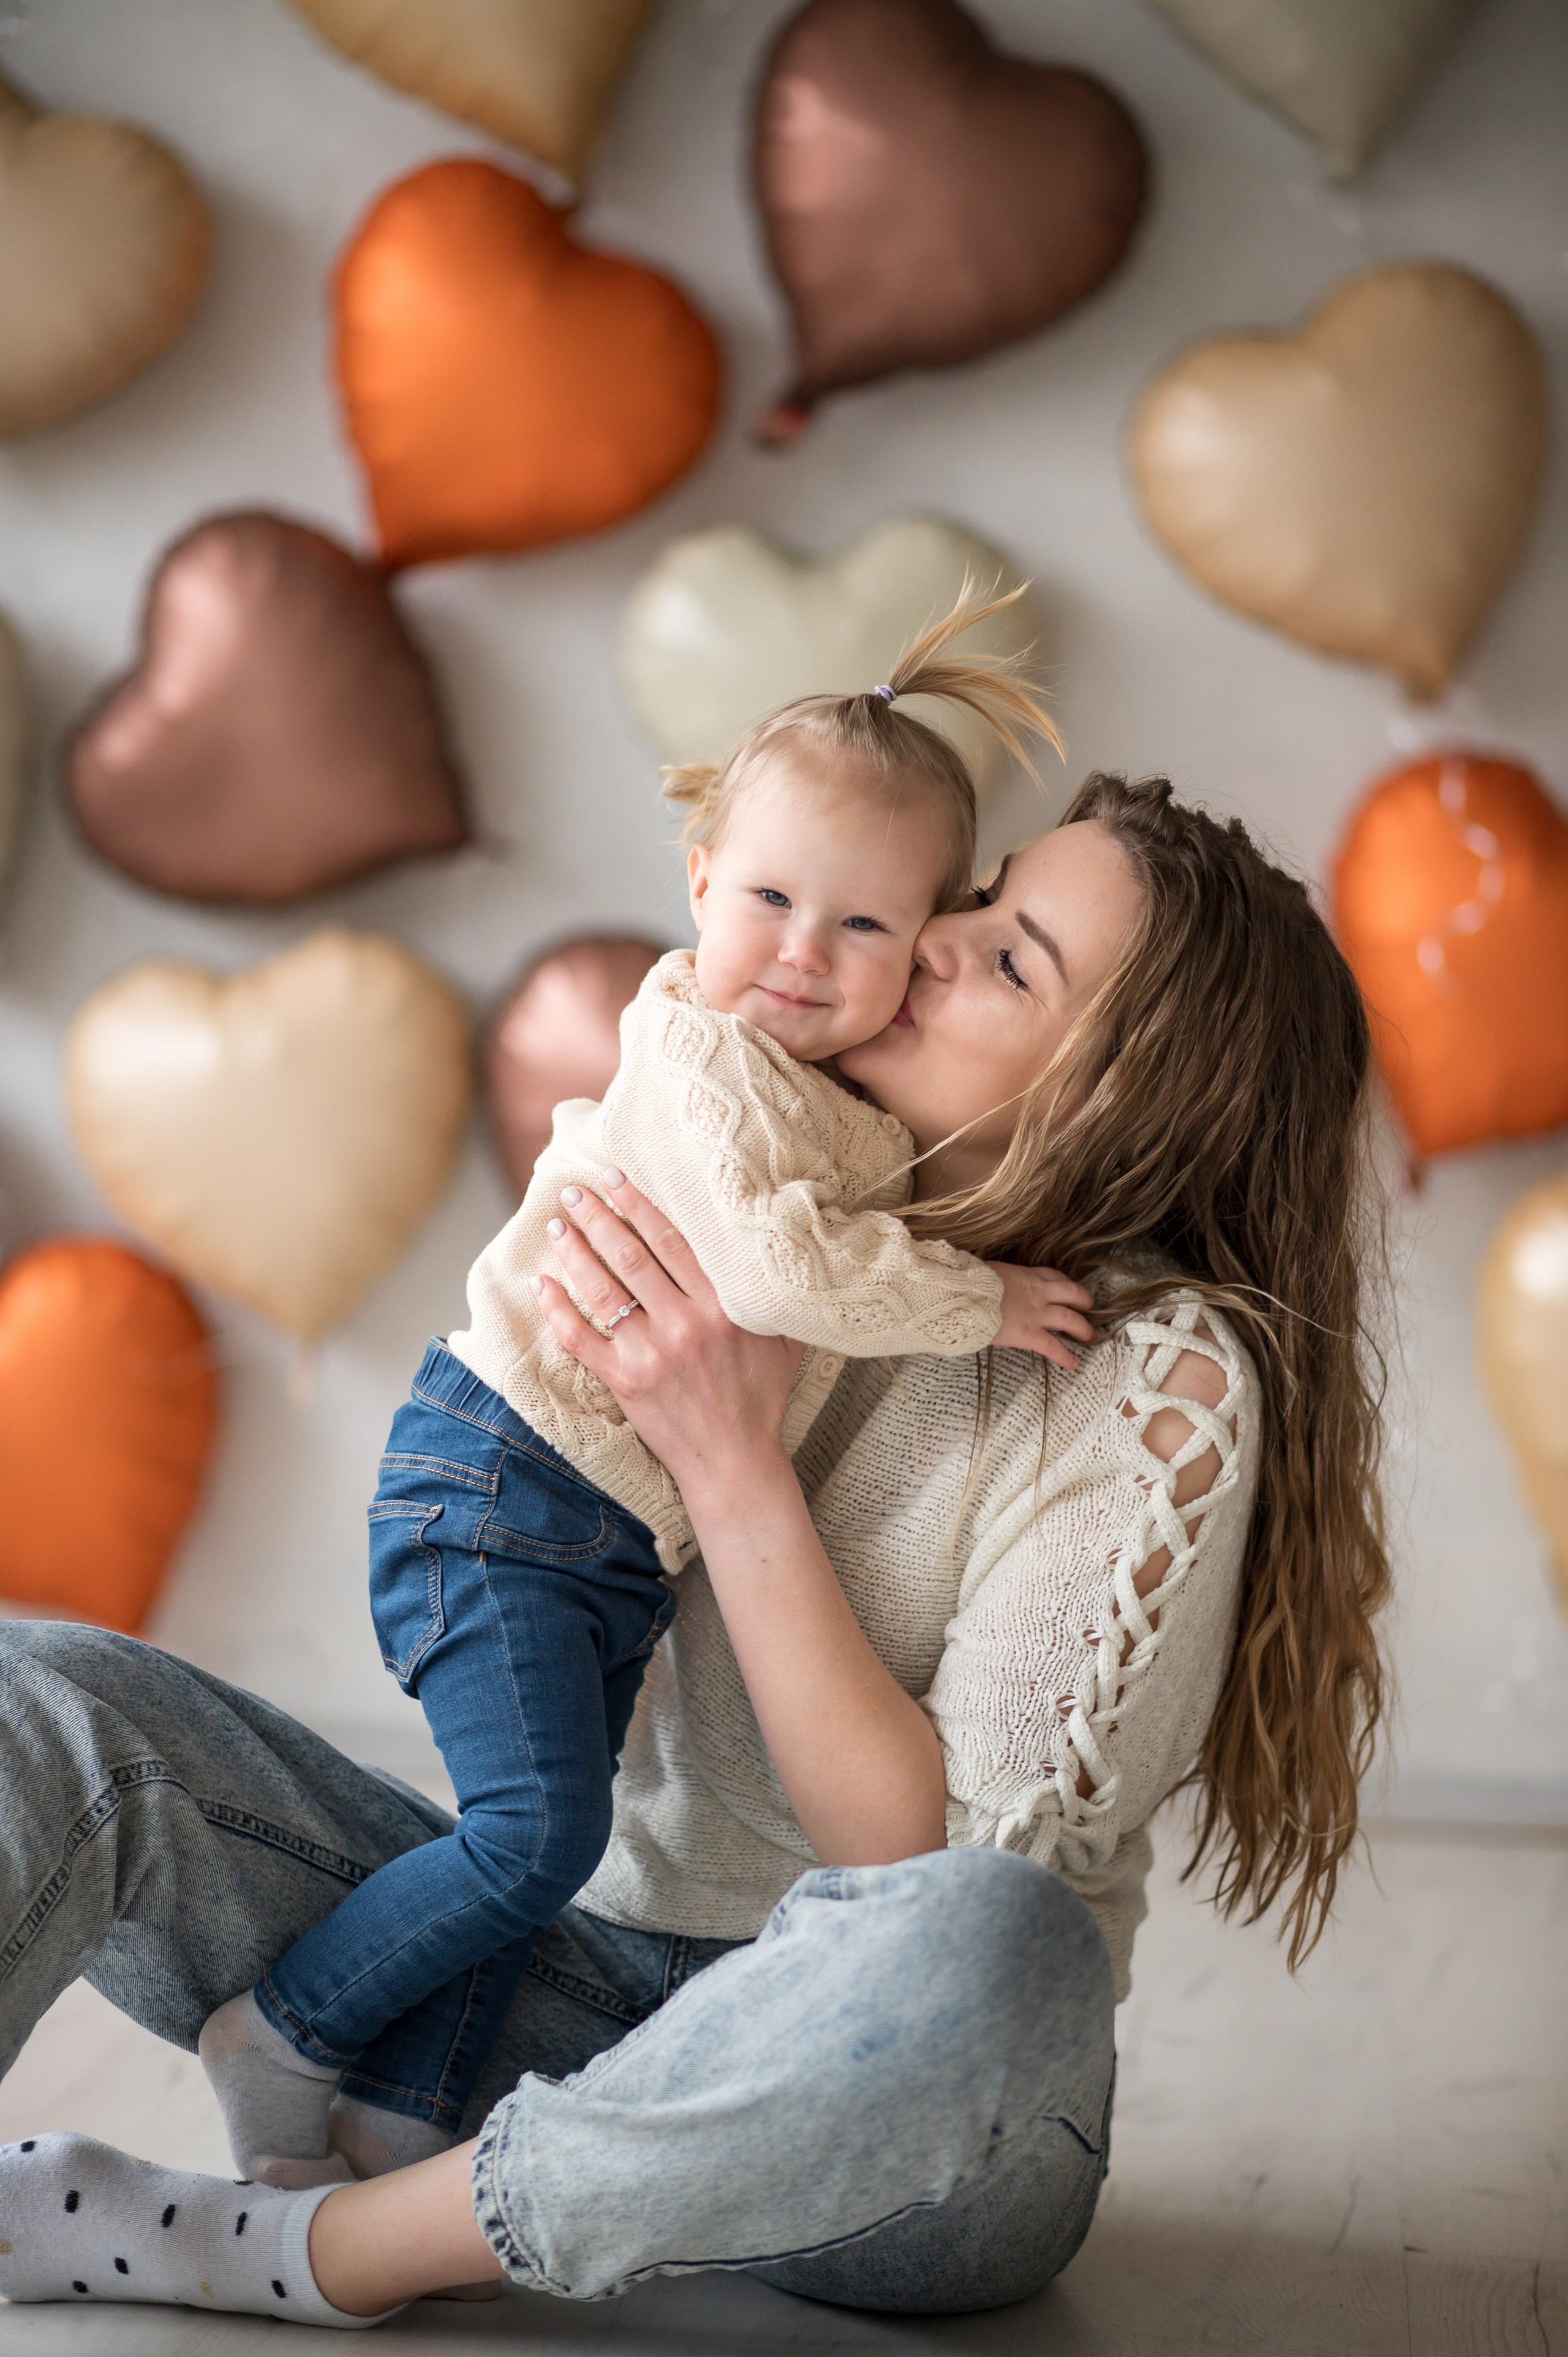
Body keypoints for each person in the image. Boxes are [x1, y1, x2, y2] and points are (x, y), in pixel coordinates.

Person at [0, 771, 1391, 2325]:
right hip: (571, 1981)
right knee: (41, 1698)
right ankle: (452, 2145)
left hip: (899, 2119)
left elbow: (920, 1880)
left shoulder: (1160, 1382)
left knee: (992, 1942)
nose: (930, 938)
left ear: (1133, 1099)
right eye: (982, 897)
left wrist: (733, 1464)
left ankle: (292, 2251)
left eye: (1012, 959)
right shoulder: (784, 1170)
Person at [195, 597, 1099, 2193]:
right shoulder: (699, 1052)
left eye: (865, 928)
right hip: (502, 1480)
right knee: (534, 1837)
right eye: (768, 898)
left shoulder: (858, 1123)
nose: (804, 955)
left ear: (927, 942)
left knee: (559, 1854)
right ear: (698, 885)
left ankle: (406, 2122)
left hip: (602, 1534)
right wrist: (986, 1299)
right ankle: (284, 2029)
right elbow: (772, 1274)